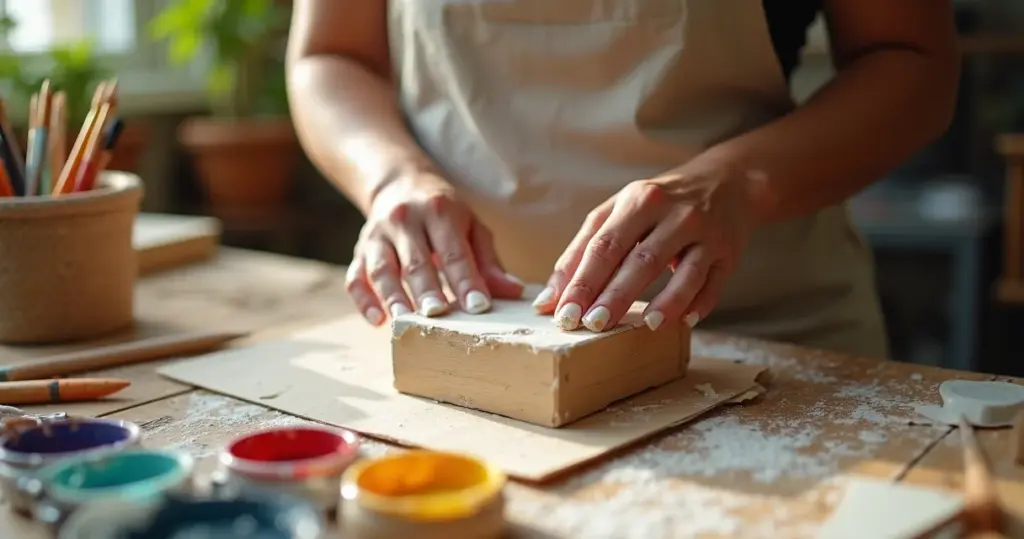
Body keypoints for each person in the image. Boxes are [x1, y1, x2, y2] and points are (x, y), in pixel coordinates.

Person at [285, 0, 959, 359]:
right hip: (470, 334)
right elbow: (330, 54)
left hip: (769, 335)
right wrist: (393, 178)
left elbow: (915, 62)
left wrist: (738, 178)